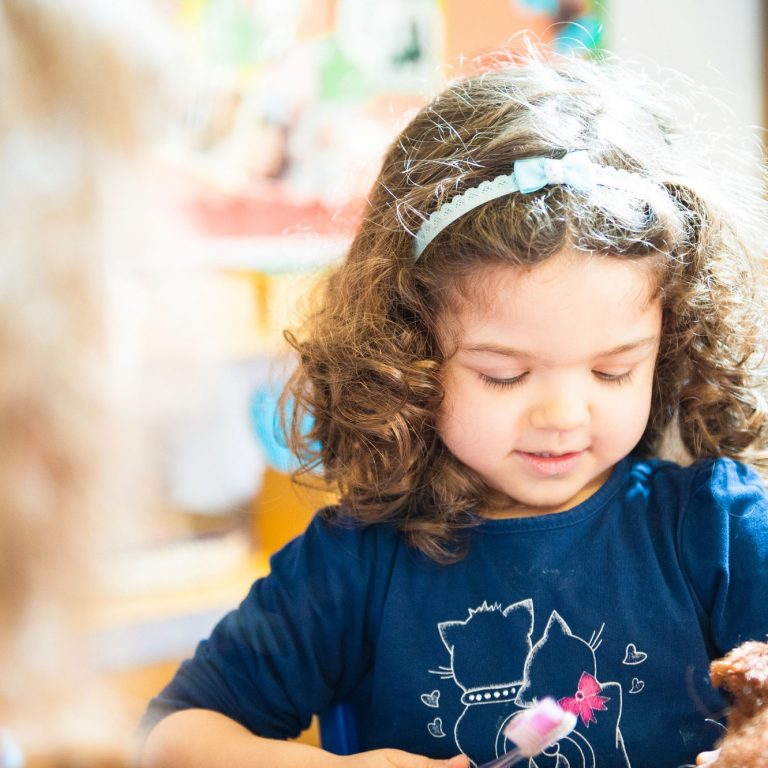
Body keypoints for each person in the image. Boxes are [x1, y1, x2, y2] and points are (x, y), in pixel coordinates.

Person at [139, 48, 768, 768]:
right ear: (408, 350)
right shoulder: (359, 562)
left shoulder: (718, 532)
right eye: (503, 374)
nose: (563, 413)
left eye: (612, 370)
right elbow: (171, 737)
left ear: (669, 344)